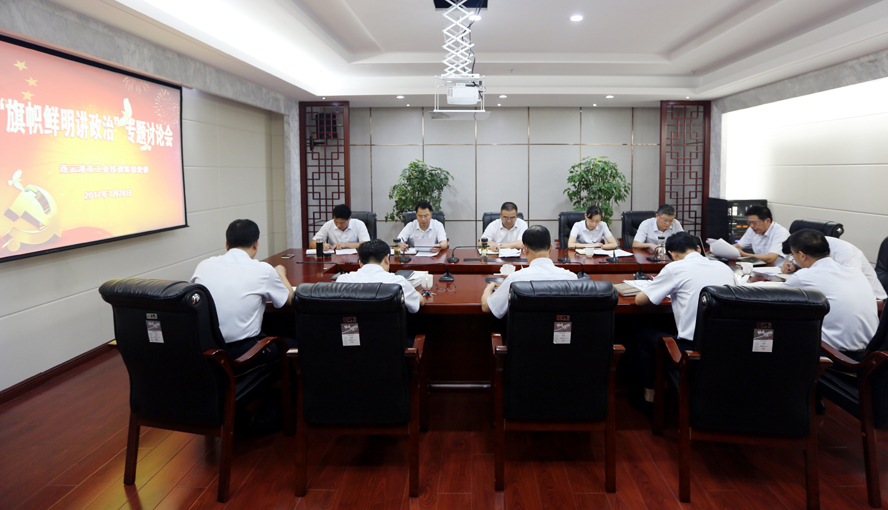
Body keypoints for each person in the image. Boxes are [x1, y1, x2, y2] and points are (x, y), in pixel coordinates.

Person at [632, 232, 737, 404]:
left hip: (690, 349)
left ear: (672, 254)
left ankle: (650, 397)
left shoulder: (675, 268)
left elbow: (640, 300)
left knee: (642, 335)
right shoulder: (724, 268)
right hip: (725, 347)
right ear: (698, 249)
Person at [191, 219, 296, 363]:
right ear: (256, 244)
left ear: (227, 244)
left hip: (208, 353)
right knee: (292, 344)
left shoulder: (203, 265)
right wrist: (280, 273)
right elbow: (289, 300)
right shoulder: (263, 270)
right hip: (242, 355)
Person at [783, 229, 878, 356]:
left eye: (792, 255)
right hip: (869, 354)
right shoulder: (855, 272)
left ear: (802, 255)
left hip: (835, 355)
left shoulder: (804, 276)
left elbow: (772, 300)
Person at [481, 225, 577, 318]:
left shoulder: (515, 279)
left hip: (524, 329)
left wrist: (489, 287)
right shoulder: (571, 278)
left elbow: (486, 307)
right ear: (551, 248)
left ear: (525, 249)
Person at [781, 234, 887, 301]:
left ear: (802, 254)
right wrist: (793, 264)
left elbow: (851, 283)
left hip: (874, 299)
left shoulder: (846, 252)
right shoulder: (819, 248)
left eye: (792, 255)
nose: (792, 258)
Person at [337, 239, 425, 313]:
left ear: (360, 262)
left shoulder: (342, 281)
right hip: (389, 329)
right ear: (387, 258)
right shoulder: (398, 282)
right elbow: (417, 305)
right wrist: (416, 293)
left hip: (352, 328)